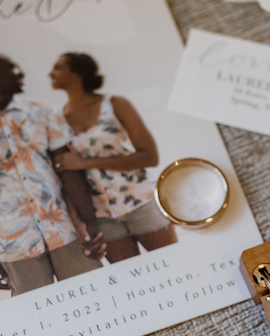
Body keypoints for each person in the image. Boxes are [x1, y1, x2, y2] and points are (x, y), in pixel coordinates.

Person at [0, 54, 105, 295]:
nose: (21, 73)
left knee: (94, 299)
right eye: (12, 68)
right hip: (12, 245)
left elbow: (69, 170)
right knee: (40, 318)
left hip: (66, 232)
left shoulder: (42, 110)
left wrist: (90, 222)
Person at [49, 52, 177, 263]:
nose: (50, 73)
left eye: (58, 67)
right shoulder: (57, 121)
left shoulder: (116, 104)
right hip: (102, 219)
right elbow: (65, 178)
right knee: (133, 283)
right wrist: (79, 222)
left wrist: (86, 162)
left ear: (77, 73)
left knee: (174, 264)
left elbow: (150, 156)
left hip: (141, 203)